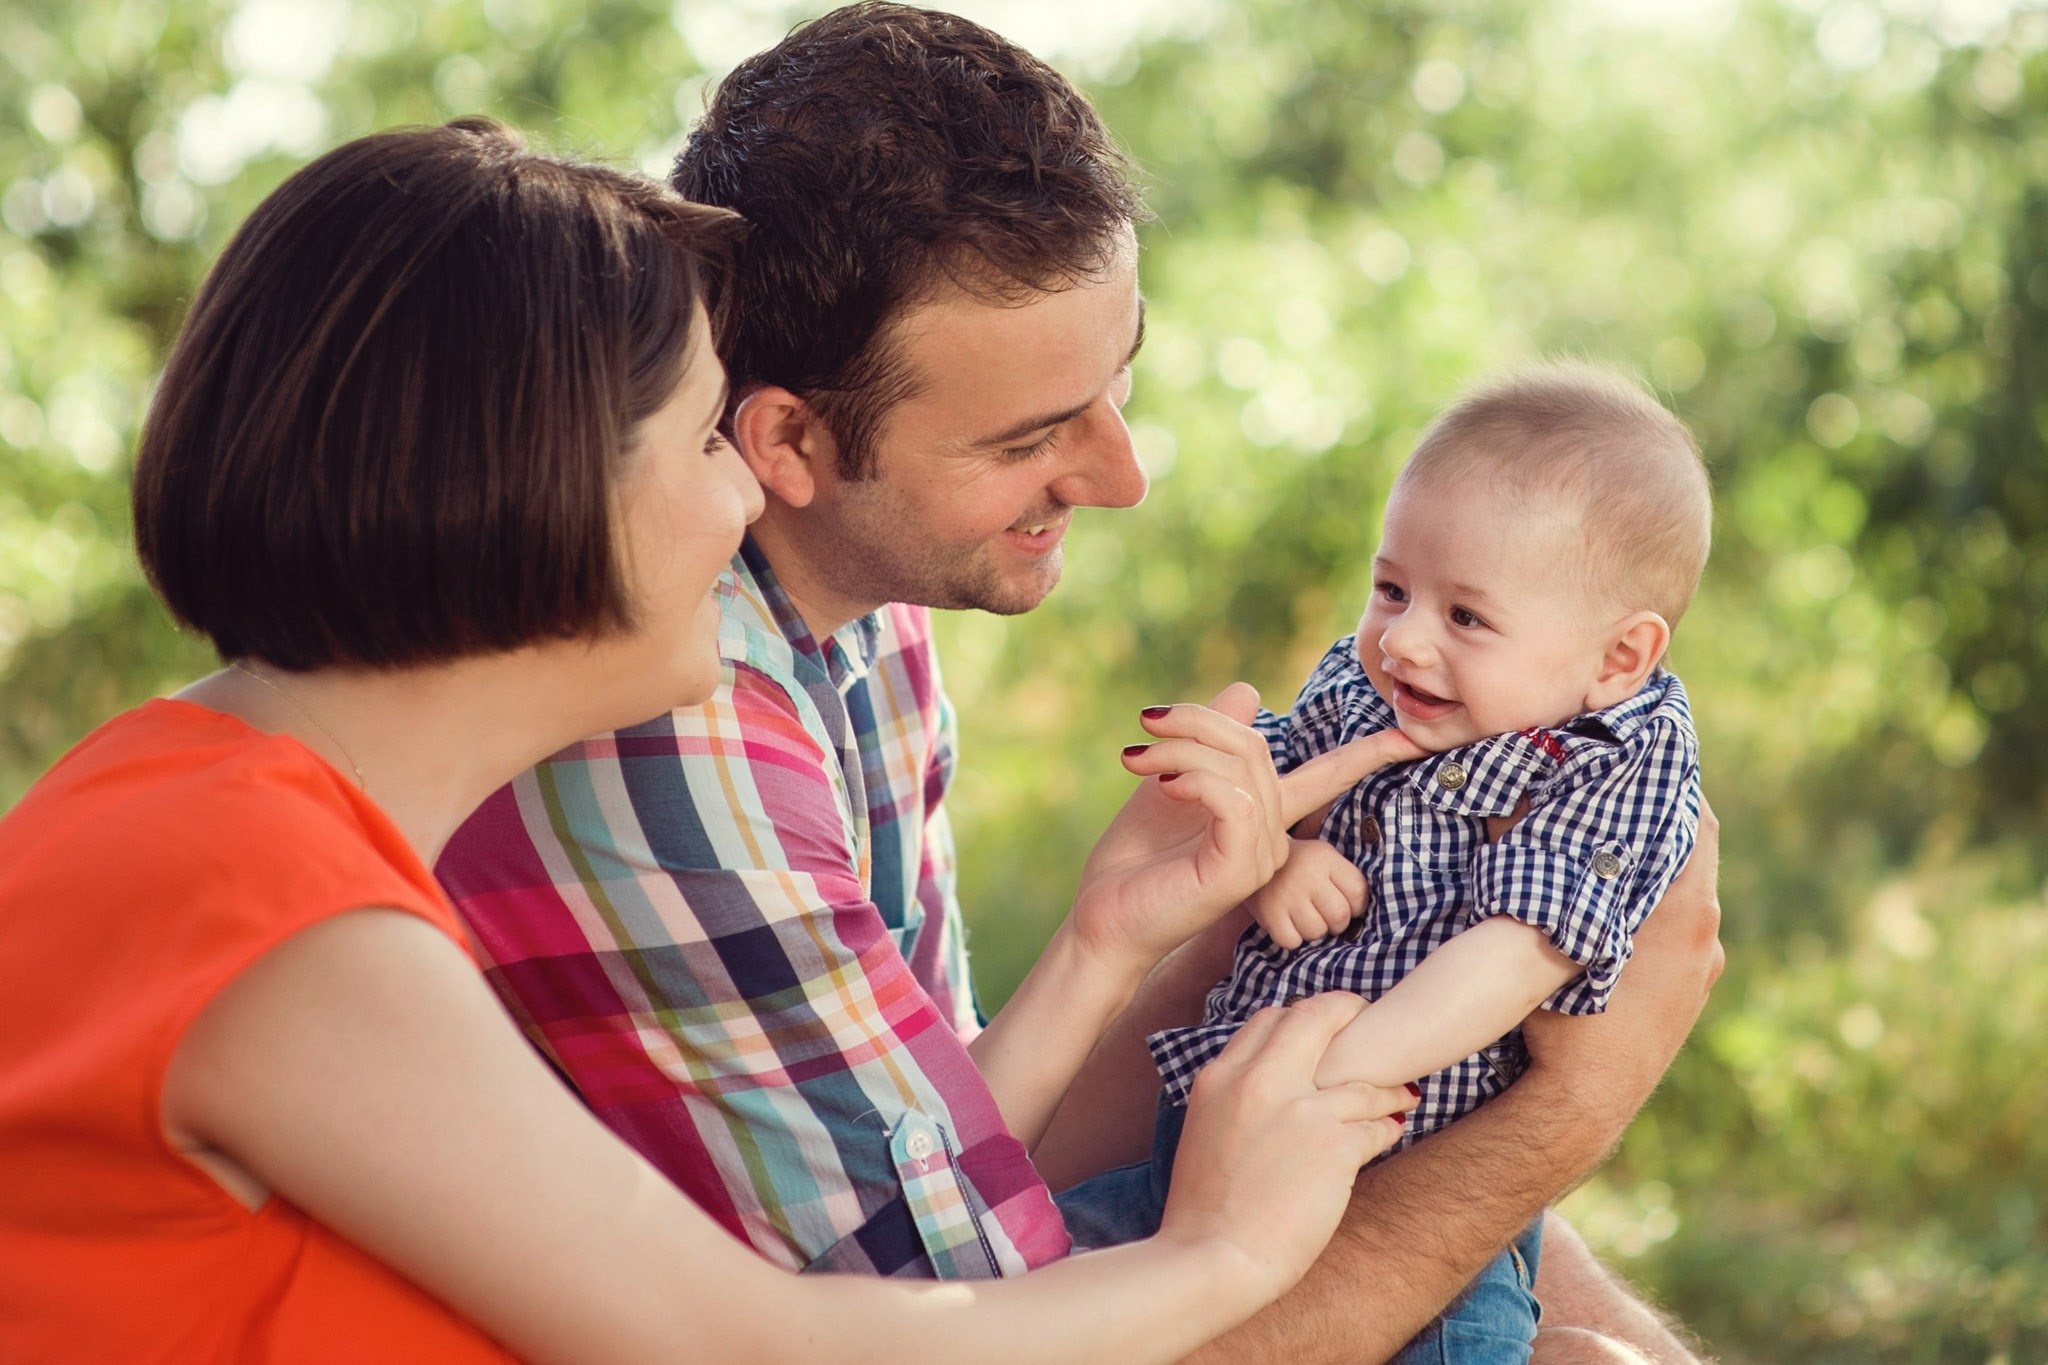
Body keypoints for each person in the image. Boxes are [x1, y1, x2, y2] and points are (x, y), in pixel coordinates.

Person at [0, 118, 1419, 1364]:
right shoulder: (271, 915)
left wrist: (1108, 936)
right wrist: (1224, 1253)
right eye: (701, 442)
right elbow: (755, 1345)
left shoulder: (220, 830)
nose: (751, 496)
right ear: (537, 488)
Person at [438, 6, 1726, 1362]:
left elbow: (960, 1154)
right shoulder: (680, 729)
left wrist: (1127, 942)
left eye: (1120, 380)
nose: (1123, 476)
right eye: (1035, 433)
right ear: (791, 441)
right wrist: (1570, 1110)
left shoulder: (859, 625)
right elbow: (959, 1306)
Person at [1062, 362, 1712, 1361]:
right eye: (1389, 587)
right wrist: (1273, 859)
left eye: (1464, 617)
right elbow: (1246, 806)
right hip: (1205, 1135)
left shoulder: (1610, 764)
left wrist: (1330, 1078)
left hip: (1391, 1158)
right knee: (1053, 1273)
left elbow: (1518, 952)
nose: (1401, 639)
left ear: (1617, 659)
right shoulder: (1383, 686)